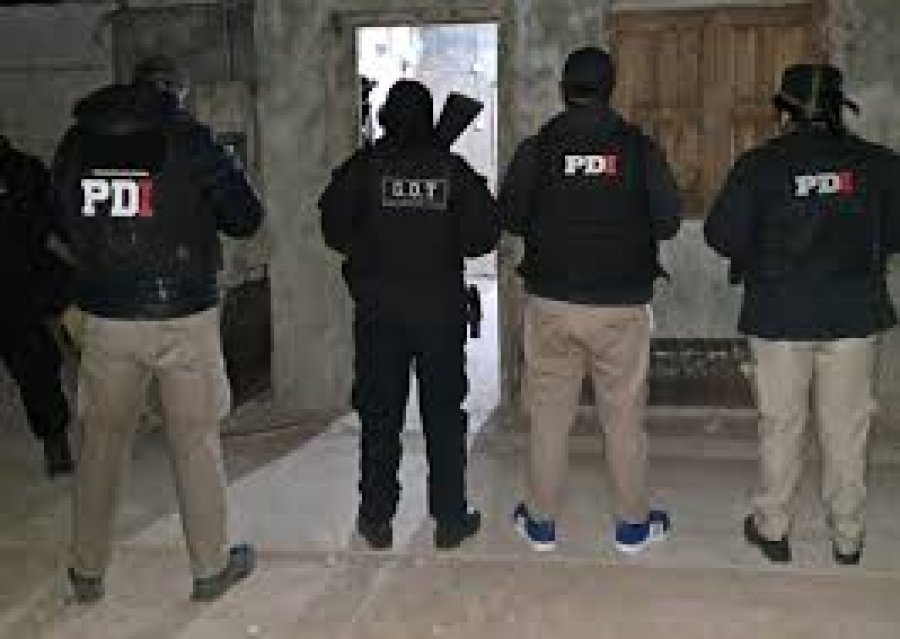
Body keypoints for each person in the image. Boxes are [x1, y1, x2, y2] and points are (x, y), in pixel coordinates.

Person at [51, 54, 263, 602]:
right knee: (195, 442)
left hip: (106, 318)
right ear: (177, 92)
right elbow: (245, 218)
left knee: (101, 443)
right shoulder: (191, 141)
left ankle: (87, 570)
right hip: (183, 317)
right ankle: (210, 568)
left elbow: (61, 220)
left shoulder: (79, 141)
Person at [705, 63, 900, 566]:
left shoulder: (759, 166)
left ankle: (772, 528)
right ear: (839, 110)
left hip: (779, 316)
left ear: (784, 112)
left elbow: (720, 235)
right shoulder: (878, 164)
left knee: (781, 424)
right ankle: (848, 537)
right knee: (847, 428)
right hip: (854, 315)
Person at [500, 46, 682, 553]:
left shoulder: (538, 148)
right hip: (620, 308)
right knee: (623, 418)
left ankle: (540, 524)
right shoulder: (639, 149)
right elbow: (668, 221)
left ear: (564, 90)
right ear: (610, 89)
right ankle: (632, 528)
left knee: (548, 417)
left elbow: (510, 217)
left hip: (551, 305)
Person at [319, 79, 499, 550]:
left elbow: (333, 229)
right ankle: (450, 518)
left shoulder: (364, 167)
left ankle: (376, 518)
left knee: (380, 416)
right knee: (444, 417)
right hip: (439, 313)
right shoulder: (450, 169)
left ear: (384, 119)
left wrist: (371, 243)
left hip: (379, 313)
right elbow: (483, 236)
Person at [0, 133, 73, 478]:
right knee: (34, 365)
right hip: (18, 288)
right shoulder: (24, 169)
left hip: (23, 287)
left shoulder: (23, 170)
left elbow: (54, 221)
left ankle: (55, 440)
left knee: (36, 368)